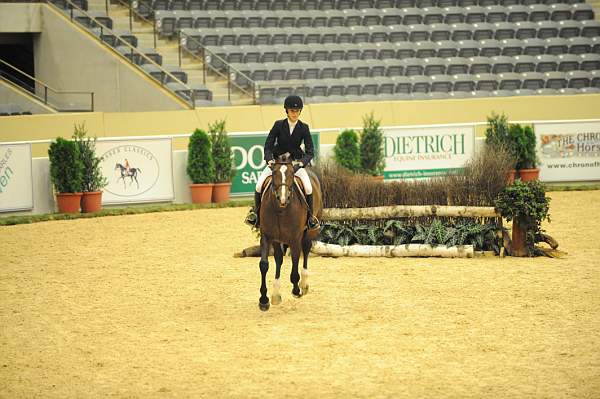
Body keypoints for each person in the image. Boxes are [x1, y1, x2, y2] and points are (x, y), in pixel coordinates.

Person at [245, 95, 320, 231]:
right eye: (292, 111)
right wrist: (269, 160)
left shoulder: (304, 128)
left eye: (297, 111)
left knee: (308, 188)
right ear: (286, 111)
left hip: (295, 164)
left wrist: (301, 164)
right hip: (277, 164)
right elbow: (268, 145)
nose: (295, 113)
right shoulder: (278, 125)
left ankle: (310, 219)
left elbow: (310, 152)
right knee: (258, 185)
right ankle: (256, 215)